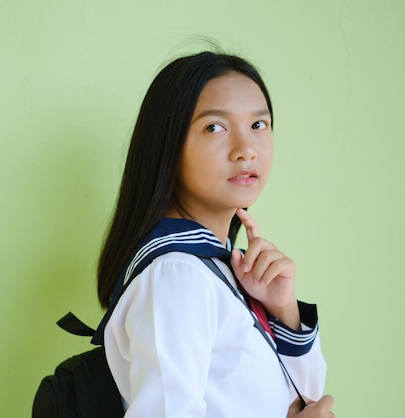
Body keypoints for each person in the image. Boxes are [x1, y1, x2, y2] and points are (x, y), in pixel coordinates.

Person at [93, 52, 335, 417]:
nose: (246, 150)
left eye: (259, 125)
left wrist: (282, 309)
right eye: (215, 128)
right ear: (168, 148)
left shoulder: (217, 267)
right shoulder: (178, 277)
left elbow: (308, 398)